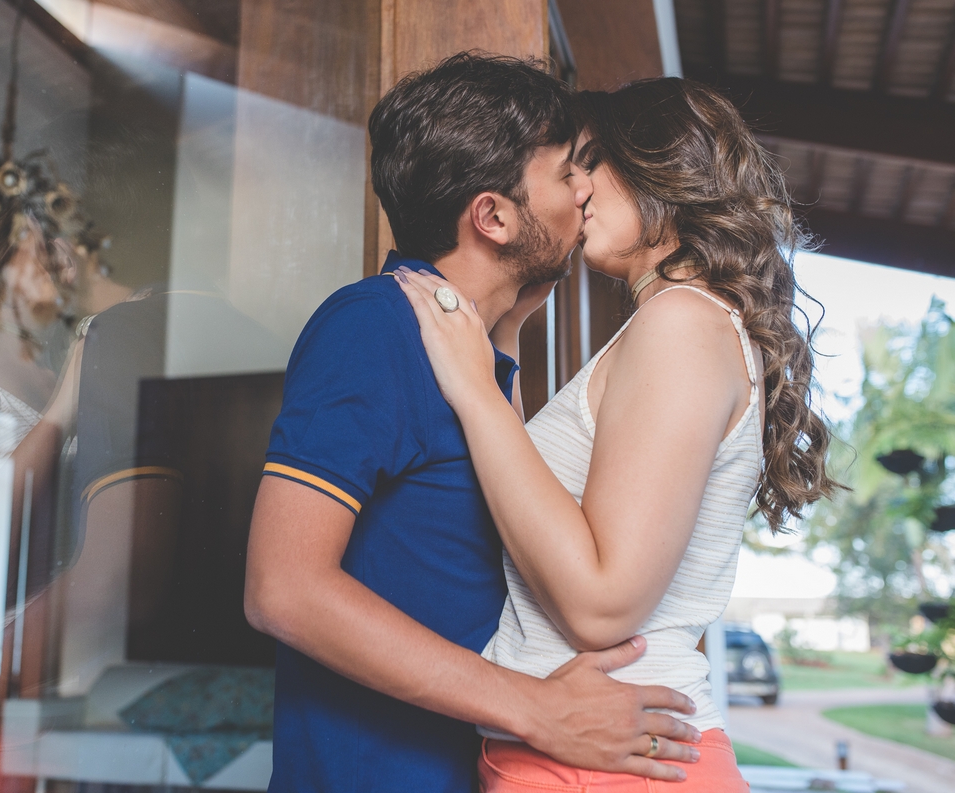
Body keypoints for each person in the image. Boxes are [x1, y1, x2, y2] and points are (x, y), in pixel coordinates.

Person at [244, 54, 700, 793]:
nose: (586, 189)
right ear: (493, 215)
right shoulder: (375, 324)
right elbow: (282, 586)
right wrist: (537, 708)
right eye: (565, 172)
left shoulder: (480, 356)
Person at [393, 76, 838, 791]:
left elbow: (602, 602)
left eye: (591, 158)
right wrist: (502, 335)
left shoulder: (683, 324)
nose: (577, 185)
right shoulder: (676, 326)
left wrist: (475, 393)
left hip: (615, 764)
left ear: (660, 165)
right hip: (591, 755)